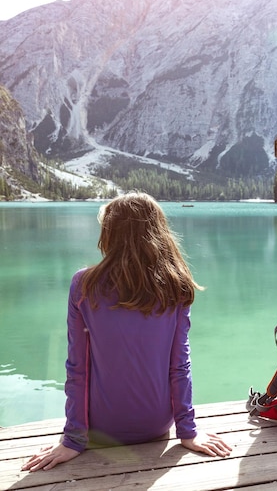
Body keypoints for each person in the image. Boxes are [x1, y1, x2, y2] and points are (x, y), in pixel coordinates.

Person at [22, 192, 232, 472]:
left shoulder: (83, 285)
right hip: (156, 425)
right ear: (159, 232)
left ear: (109, 234)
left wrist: (73, 439)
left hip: (102, 428)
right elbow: (180, 365)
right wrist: (188, 431)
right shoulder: (177, 285)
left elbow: (77, 367)